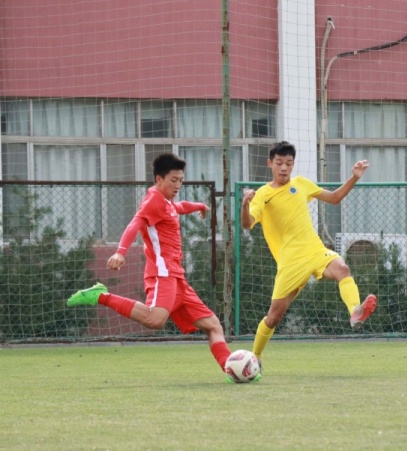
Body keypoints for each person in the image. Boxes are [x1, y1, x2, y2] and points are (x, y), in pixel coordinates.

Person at [67, 153, 236, 379]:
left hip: (176, 276)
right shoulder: (153, 200)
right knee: (154, 320)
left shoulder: (165, 201)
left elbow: (178, 207)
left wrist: (199, 206)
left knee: (213, 325)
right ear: (159, 179)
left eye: (181, 180)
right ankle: (101, 296)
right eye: (173, 180)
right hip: (162, 273)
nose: (178, 185)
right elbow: (135, 223)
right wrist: (120, 252)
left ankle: (231, 369)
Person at [241, 141, 377, 370]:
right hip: (290, 263)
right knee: (273, 317)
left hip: (314, 250)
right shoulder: (262, 195)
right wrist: (245, 204)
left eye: (289, 163)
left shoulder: (301, 184)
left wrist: (355, 176)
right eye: (279, 163)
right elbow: (247, 224)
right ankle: (255, 357)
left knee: (342, 269)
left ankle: (355, 311)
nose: (284, 168)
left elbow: (334, 198)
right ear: (270, 164)